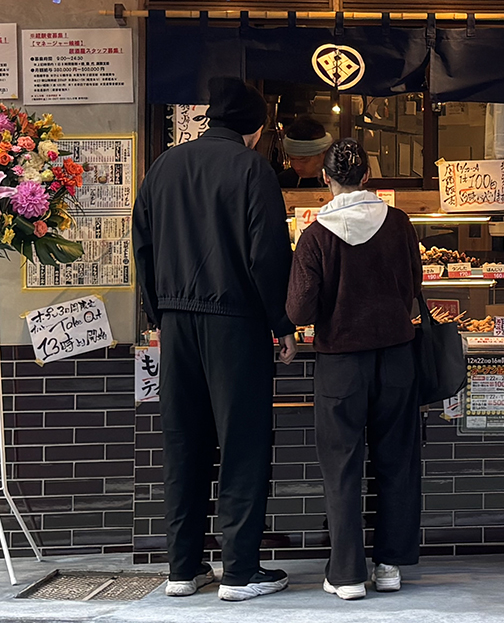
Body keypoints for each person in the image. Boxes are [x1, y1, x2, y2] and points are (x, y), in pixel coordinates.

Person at [132, 77, 297, 602]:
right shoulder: (254, 170)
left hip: (176, 323)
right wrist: (283, 323)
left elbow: (141, 243)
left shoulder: (163, 166)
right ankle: (240, 571)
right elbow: (268, 254)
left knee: (183, 441)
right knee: (243, 444)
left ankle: (183, 568)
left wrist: (157, 313)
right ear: (254, 128)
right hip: (237, 323)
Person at [286, 139, 423, 601]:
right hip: (397, 359)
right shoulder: (400, 223)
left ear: (326, 178)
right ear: (368, 176)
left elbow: (300, 309)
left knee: (341, 465)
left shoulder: (316, 235)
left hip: (341, 363)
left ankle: (346, 574)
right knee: (397, 461)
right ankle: (389, 566)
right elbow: (413, 285)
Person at [277, 116, 333, 188]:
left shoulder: (341, 183)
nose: (297, 167)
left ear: (324, 153)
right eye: (292, 158)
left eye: (303, 160)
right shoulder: (281, 182)